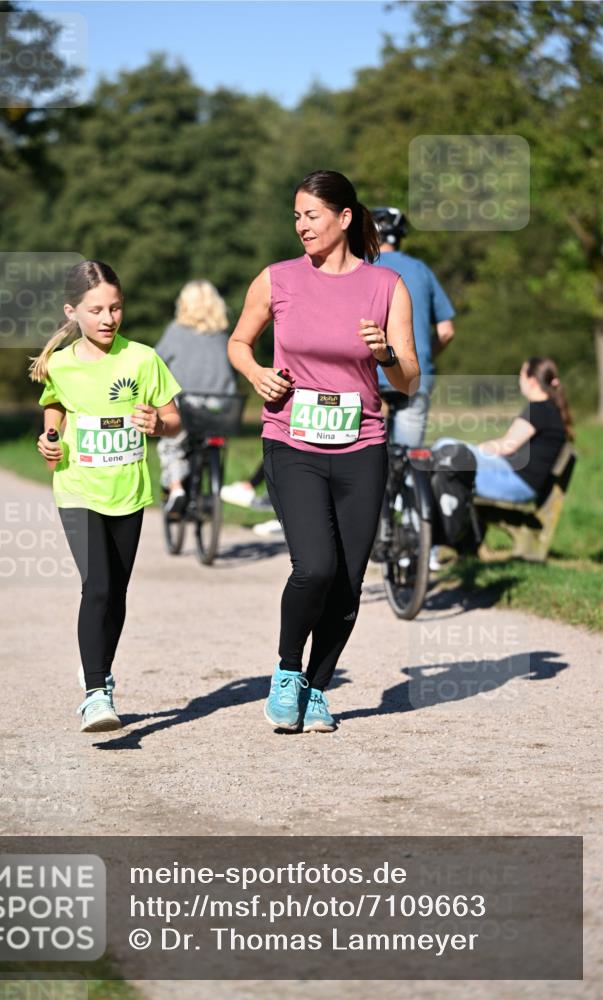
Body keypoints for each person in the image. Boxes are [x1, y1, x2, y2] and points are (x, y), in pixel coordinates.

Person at [228, 170, 419, 733]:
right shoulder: (277, 279)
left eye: (311, 215)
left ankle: (316, 687)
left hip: (362, 444)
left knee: (349, 582)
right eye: (296, 216)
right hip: (292, 440)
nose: (301, 226)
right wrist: (257, 374)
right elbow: (239, 342)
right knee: (315, 567)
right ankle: (287, 672)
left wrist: (385, 355)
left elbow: (408, 380)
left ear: (344, 217)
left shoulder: (386, 287)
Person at [30, 260, 181, 733]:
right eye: (96, 310)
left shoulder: (142, 358)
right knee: (96, 585)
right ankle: (96, 693)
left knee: (116, 591)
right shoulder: (61, 363)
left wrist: (158, 425)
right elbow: (54, 403)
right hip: (77, 487)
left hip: (128, 491)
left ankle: (98, 666)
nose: (108, 318)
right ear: (72, 312)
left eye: (115, 308)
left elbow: (174, 419)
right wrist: (50, 437)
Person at [433, 356, 572, 505]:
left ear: (532, 381)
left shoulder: (539, 409)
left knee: (446, 452)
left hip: (516, 484)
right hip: (515, 477)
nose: (519, 380)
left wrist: (474, 451)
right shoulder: (548, 409)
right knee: (447, 451)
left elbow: (507, 446)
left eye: (521, 375)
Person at [372, 207, 456, 447]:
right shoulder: (421, 269)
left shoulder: (361, 268)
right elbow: (446, 331)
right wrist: (424, 356)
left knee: (367, 457)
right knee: (408, 457)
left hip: (370, 376)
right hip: (414, 377)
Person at [154, 280, 237, 518]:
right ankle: (210, 486)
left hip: (187, 405)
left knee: (171, 444)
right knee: (210, 443)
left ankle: (176, 488)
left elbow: (156, 362)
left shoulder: (175, 332)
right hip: (220, 408)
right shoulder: (222, 336)